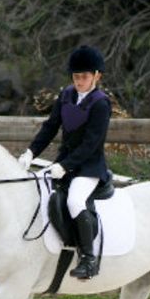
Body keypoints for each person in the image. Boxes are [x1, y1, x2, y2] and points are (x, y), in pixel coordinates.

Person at [18, 45, 112, 279]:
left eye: (84, 77)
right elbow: (50, 127)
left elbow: (91, 143)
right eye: (76, 76)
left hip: (89, 167)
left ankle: (89, 260)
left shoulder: (101, 103)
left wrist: (65, 166)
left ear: (96, 76)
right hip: (64, 164)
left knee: (75, 201)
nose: (79, 81)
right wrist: (31, 152)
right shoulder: (66, 95)